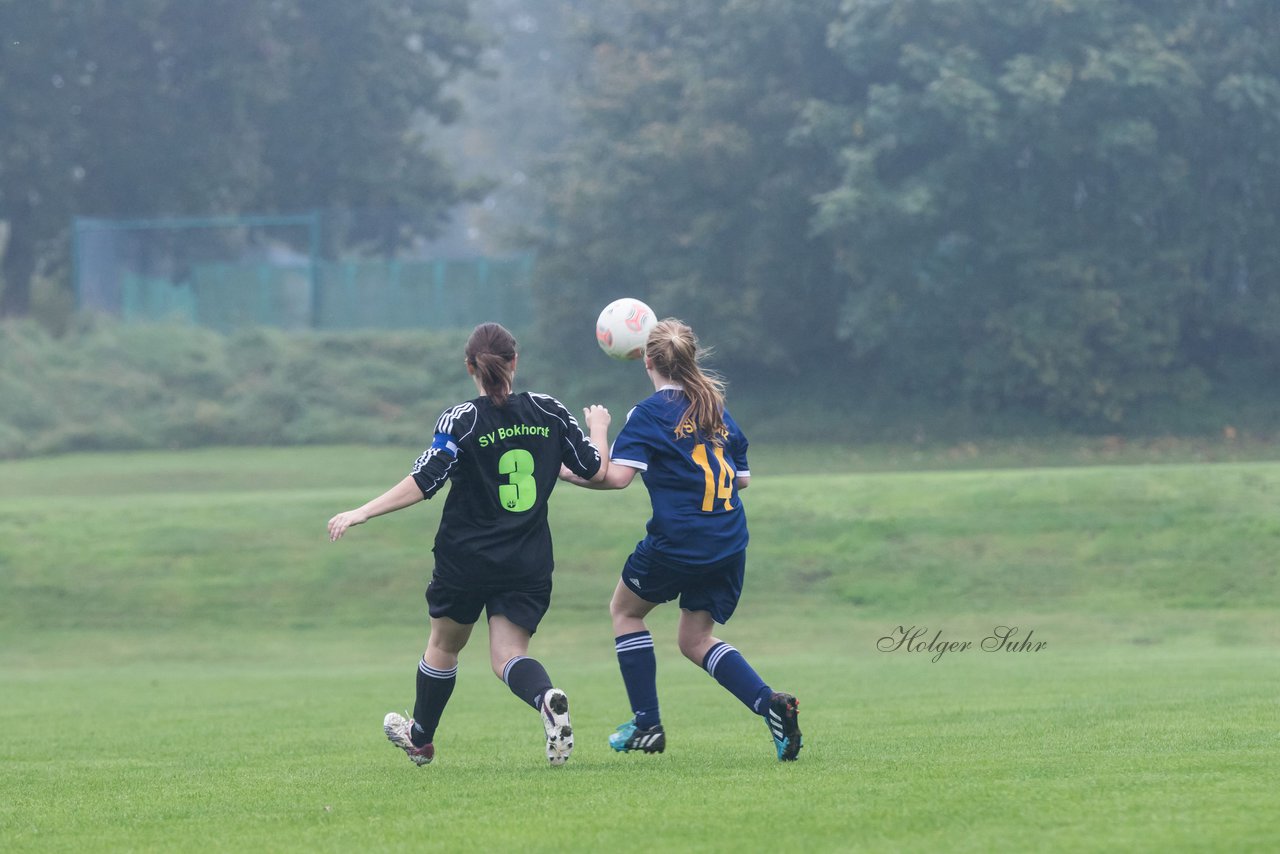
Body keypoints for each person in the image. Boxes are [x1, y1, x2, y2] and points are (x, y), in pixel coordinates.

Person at [328, 322, 610, 767]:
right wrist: (598, 425)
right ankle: (544, 696)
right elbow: (594, 468)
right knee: (509, 656)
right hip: (527, 559)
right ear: (515, 362)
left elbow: (425, 480)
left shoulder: (462, 419)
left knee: (444, 645)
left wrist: (363, 511)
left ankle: (420, 739)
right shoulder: (549, 412)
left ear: (469, 367)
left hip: (466, 560)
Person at [560, 318, 802, 761]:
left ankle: (648, 725)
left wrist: (594, 431)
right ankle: (771, 705)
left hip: (680, 540)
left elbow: (614, 479)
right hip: (728, 539)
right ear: (689, 358)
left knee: (625, 613)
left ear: (645, 360)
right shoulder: (715, 407)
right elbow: (742, 480)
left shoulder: (649, 413)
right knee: (695, 640)